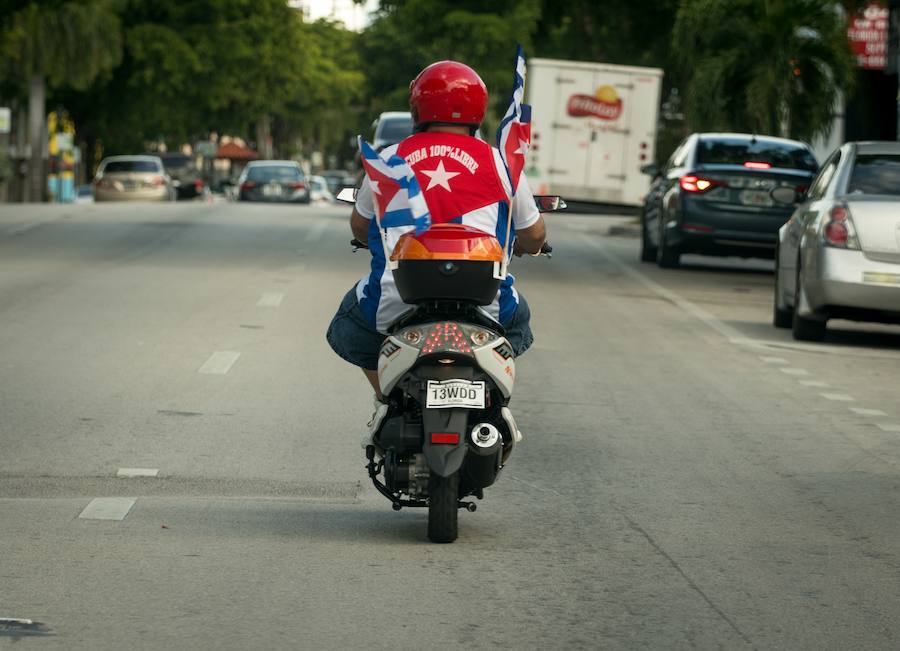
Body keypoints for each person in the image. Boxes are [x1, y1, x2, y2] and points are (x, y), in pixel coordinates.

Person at [326, 60, 547, 435]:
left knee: (352, 323)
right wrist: (527, 243)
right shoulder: (501, 163)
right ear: (478, 111)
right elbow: (535, 235)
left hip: (395, 303)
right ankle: (492, 400)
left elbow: (360, 227)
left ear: (417, 108)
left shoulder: (388, 159)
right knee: (518, 321)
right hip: (487, 305)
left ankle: (387, 400)